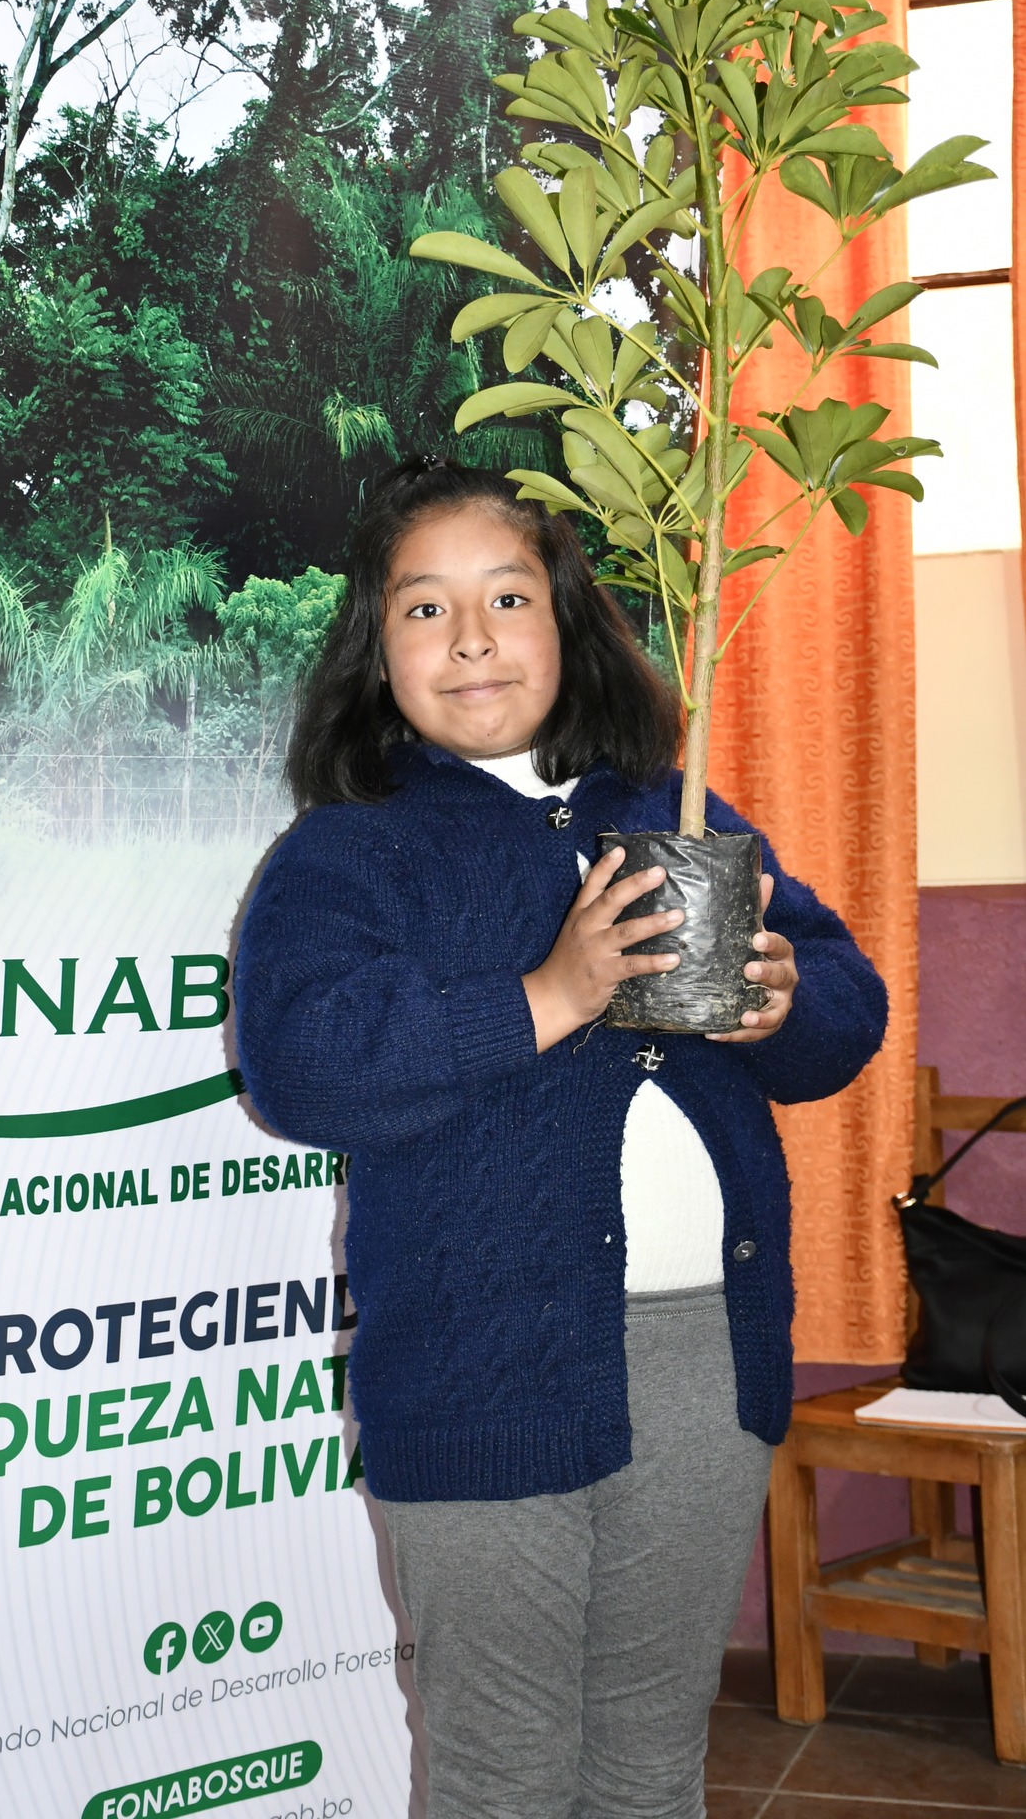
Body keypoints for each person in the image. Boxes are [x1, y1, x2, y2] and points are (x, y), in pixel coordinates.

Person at [233, 458, 886, 1819]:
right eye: (423, 610)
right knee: (500, 1771)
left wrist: (778, 1002)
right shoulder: (348, 853)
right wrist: (551, 994)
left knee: (650, 1750)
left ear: (568, 622)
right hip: (477, 1360)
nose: (470, 639)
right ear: (375, 649)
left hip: (706, 1350)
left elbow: (841, 999)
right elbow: (303, 1070)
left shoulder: (670, 806)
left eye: (507, 596)